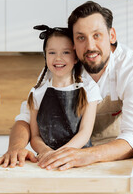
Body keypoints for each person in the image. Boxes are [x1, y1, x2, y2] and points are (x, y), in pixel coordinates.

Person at [0, 1, 133, 170]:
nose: (90, 46)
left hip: (113, 161)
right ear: (73, 43)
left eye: (97, 35)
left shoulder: (130, 69)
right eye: (81, 37)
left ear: (112, 35)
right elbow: (26, 118)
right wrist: (16, 147)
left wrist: (86, 155)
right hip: (61, 161)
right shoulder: (62, 65)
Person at [26, 25, 101, 164]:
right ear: (45, 55)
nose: (58, 58)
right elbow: (35, 136)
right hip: (46, 161)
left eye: (65, 52)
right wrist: (46, 152)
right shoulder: (37, 92)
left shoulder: (89, 89)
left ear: (76, 57)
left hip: (78, 161)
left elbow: (85, 133)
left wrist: (61, 155)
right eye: (52, 52)